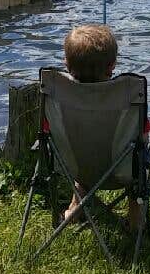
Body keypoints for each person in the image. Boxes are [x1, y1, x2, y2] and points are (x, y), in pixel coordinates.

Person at [61, 23, 144, 233]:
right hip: (122, 172)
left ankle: (74, 208)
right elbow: (141, 133)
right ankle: (136, 222)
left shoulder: (60, 96)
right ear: (112, 65)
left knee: (83, 152)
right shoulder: (125, 97)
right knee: (138, 158)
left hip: (74, 167)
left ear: (67, 64)